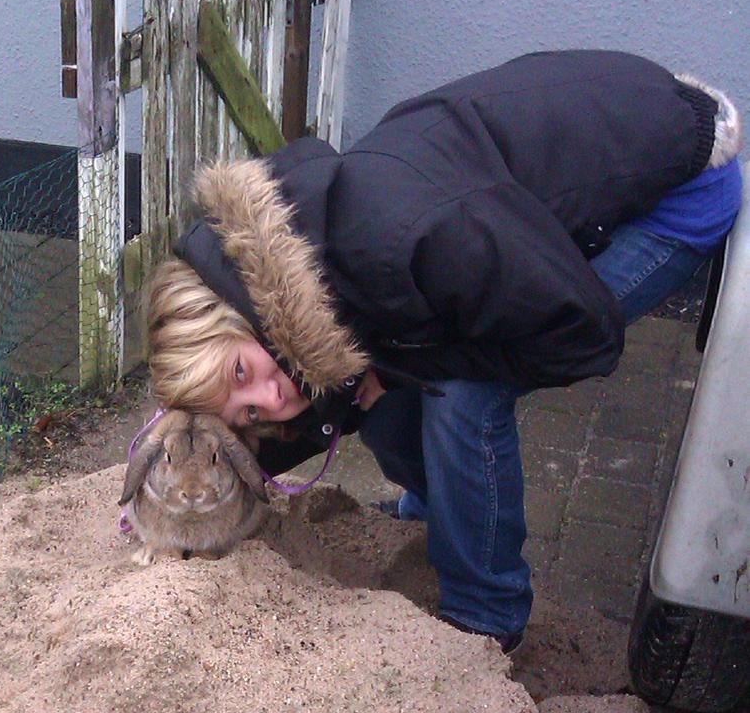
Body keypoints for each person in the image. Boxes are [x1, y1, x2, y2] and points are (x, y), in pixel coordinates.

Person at [144, 49, 743, 651]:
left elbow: (582, 333)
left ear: (237, 307)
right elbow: (307, 405)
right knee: (376, 373)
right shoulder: (297, 261)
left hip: (677, 185)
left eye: (242, 370)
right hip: (530, 188)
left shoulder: (410, 239)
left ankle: (486, 615)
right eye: (247, 412)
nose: (270, 398)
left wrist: (420, 365)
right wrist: (173, 502)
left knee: (463, 393)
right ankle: (442, 509)